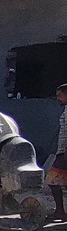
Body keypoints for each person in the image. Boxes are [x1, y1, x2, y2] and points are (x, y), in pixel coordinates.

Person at [49, 84, 67, 222]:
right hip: (62, 151)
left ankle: (60, 211)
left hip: (64, 153)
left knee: (52, 180)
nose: (58, 99)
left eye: (60, 95)